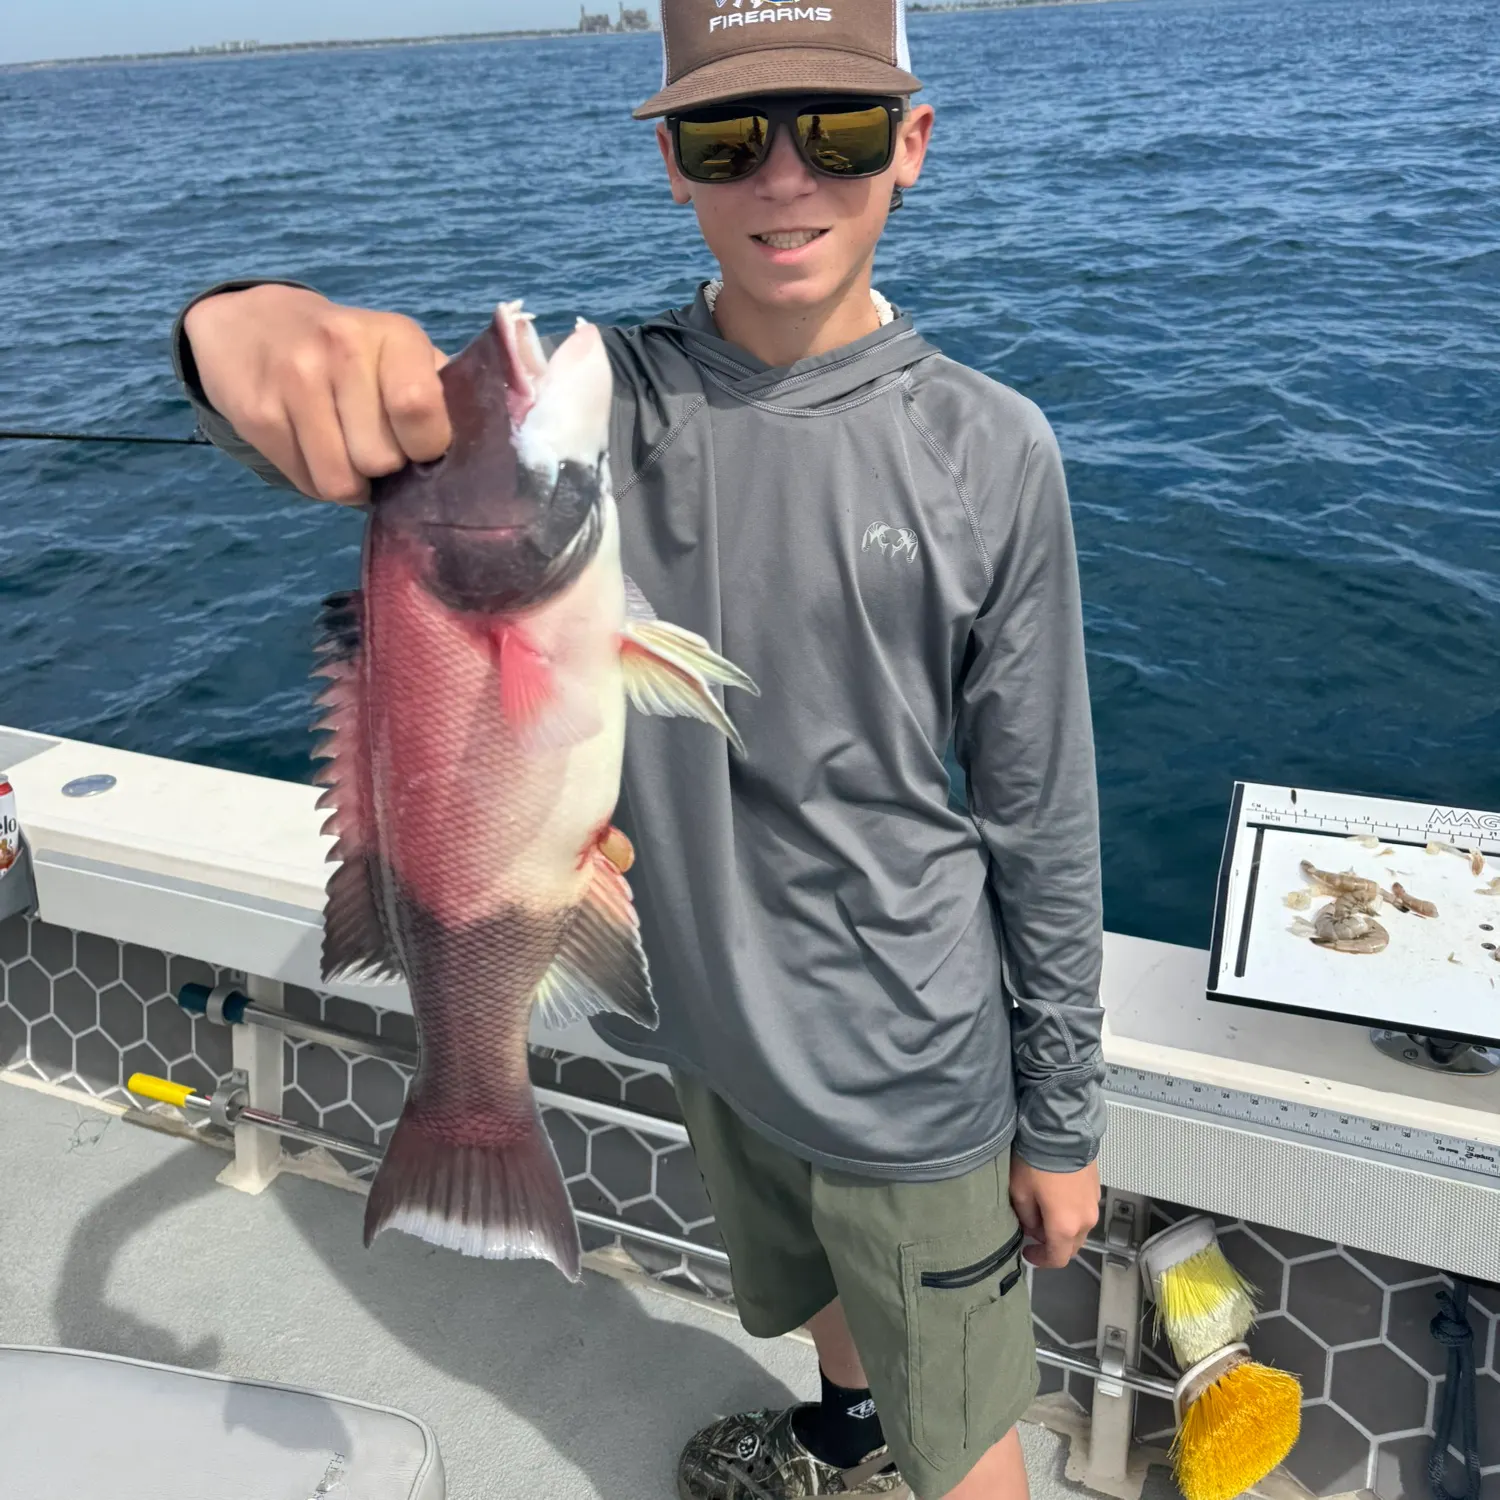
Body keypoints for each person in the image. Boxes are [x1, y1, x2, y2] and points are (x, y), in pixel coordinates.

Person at [169, 2, 1106, 1496]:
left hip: (905, 1066)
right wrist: (235, 323)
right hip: (704, 1027)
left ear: (912, 144)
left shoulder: (991, 449)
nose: (784, 176)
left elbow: (1042, 817)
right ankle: (841, 1437)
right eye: (729, 138)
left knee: (966, 1433)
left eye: (838, 131)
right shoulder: (606, 408)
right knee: (812, 1296)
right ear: (673, 162)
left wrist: (1061, 1120)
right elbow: (327, 426)